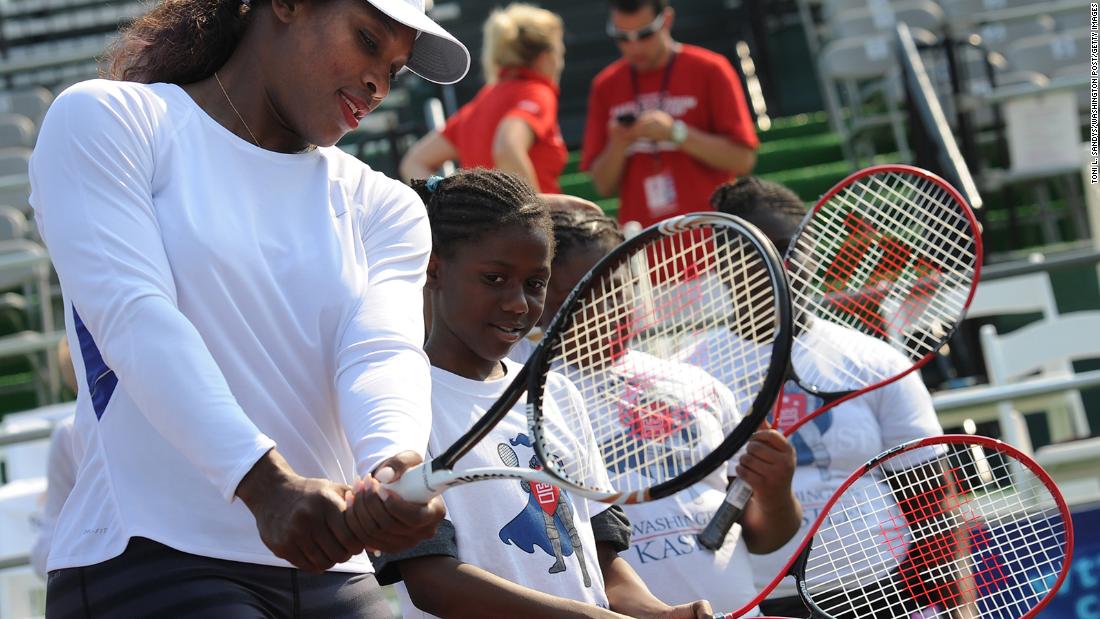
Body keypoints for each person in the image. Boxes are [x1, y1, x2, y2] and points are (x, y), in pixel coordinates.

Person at [28, 0, 469, 615]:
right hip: (153, 558)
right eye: (368, 39)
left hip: (334, 574)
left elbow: (381, 353)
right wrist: (264, 484)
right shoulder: (110, 118)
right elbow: (134, 317)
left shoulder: (387, 206)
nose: (378, 83)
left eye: (395, 69)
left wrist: (393, 465)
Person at [375, 168, 712, 618]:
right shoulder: (401, 400)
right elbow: (432, 581)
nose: (518, 304)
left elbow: (603, 564)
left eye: (536, 284)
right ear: (434, 269)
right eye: (495, 278)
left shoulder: (557, 394)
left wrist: (658, 613)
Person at [511, 206, 800, 614]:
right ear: (542, 300)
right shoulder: (522, 398)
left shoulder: (696, 383)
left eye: (615, 287)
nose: (604, 310)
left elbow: (767, 536)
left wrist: (776, 493)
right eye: (579, 297)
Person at [709, 177, 946, 619]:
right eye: (754, 251)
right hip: (761, 598)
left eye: (790, 246)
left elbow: (930, 498)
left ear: (812, 251)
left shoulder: (875, 360)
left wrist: (950, 603)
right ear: (722, 262)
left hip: (882, 589)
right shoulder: (691, 373)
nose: (778, 264)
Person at [580, 0, 759, 229]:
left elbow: (743, 160)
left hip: (713, 237)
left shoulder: (711, 69)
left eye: (644, 34)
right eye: (622, 37)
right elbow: (603, 186)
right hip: (646, 247)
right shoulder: (605, 85)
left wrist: (676, 133)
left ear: (666, 20)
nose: (634, 47)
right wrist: (618, 143)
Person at [400, 3, 568, 193]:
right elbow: (506, 147)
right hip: (530, 220)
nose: (560, 60)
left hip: (483, 221)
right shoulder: (537, 93)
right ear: (545, 57)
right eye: (559, 51)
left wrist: (450, 208)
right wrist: (538, 217)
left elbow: (414, 162)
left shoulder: (481, 102)